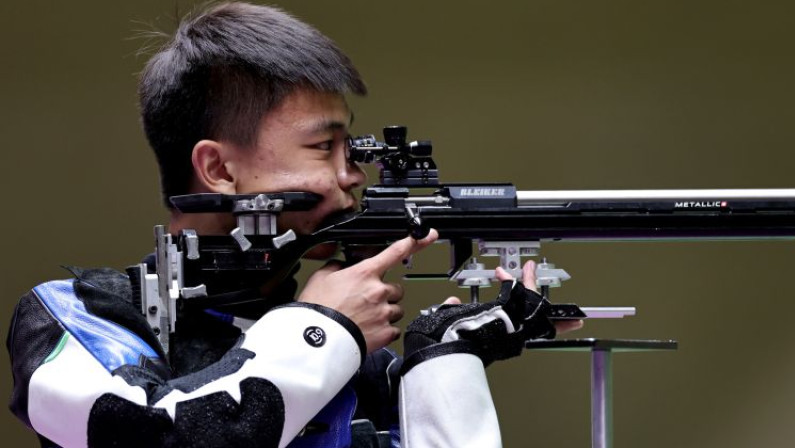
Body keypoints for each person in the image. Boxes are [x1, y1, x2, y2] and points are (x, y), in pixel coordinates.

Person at [7, 3, 581, 447]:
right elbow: (159, 434)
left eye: (350, 149)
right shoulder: (75, 316)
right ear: (218, 169)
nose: (351, 177)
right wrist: (322, 327)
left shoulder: (354, 351)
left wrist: (442, 361)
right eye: (323, 147)